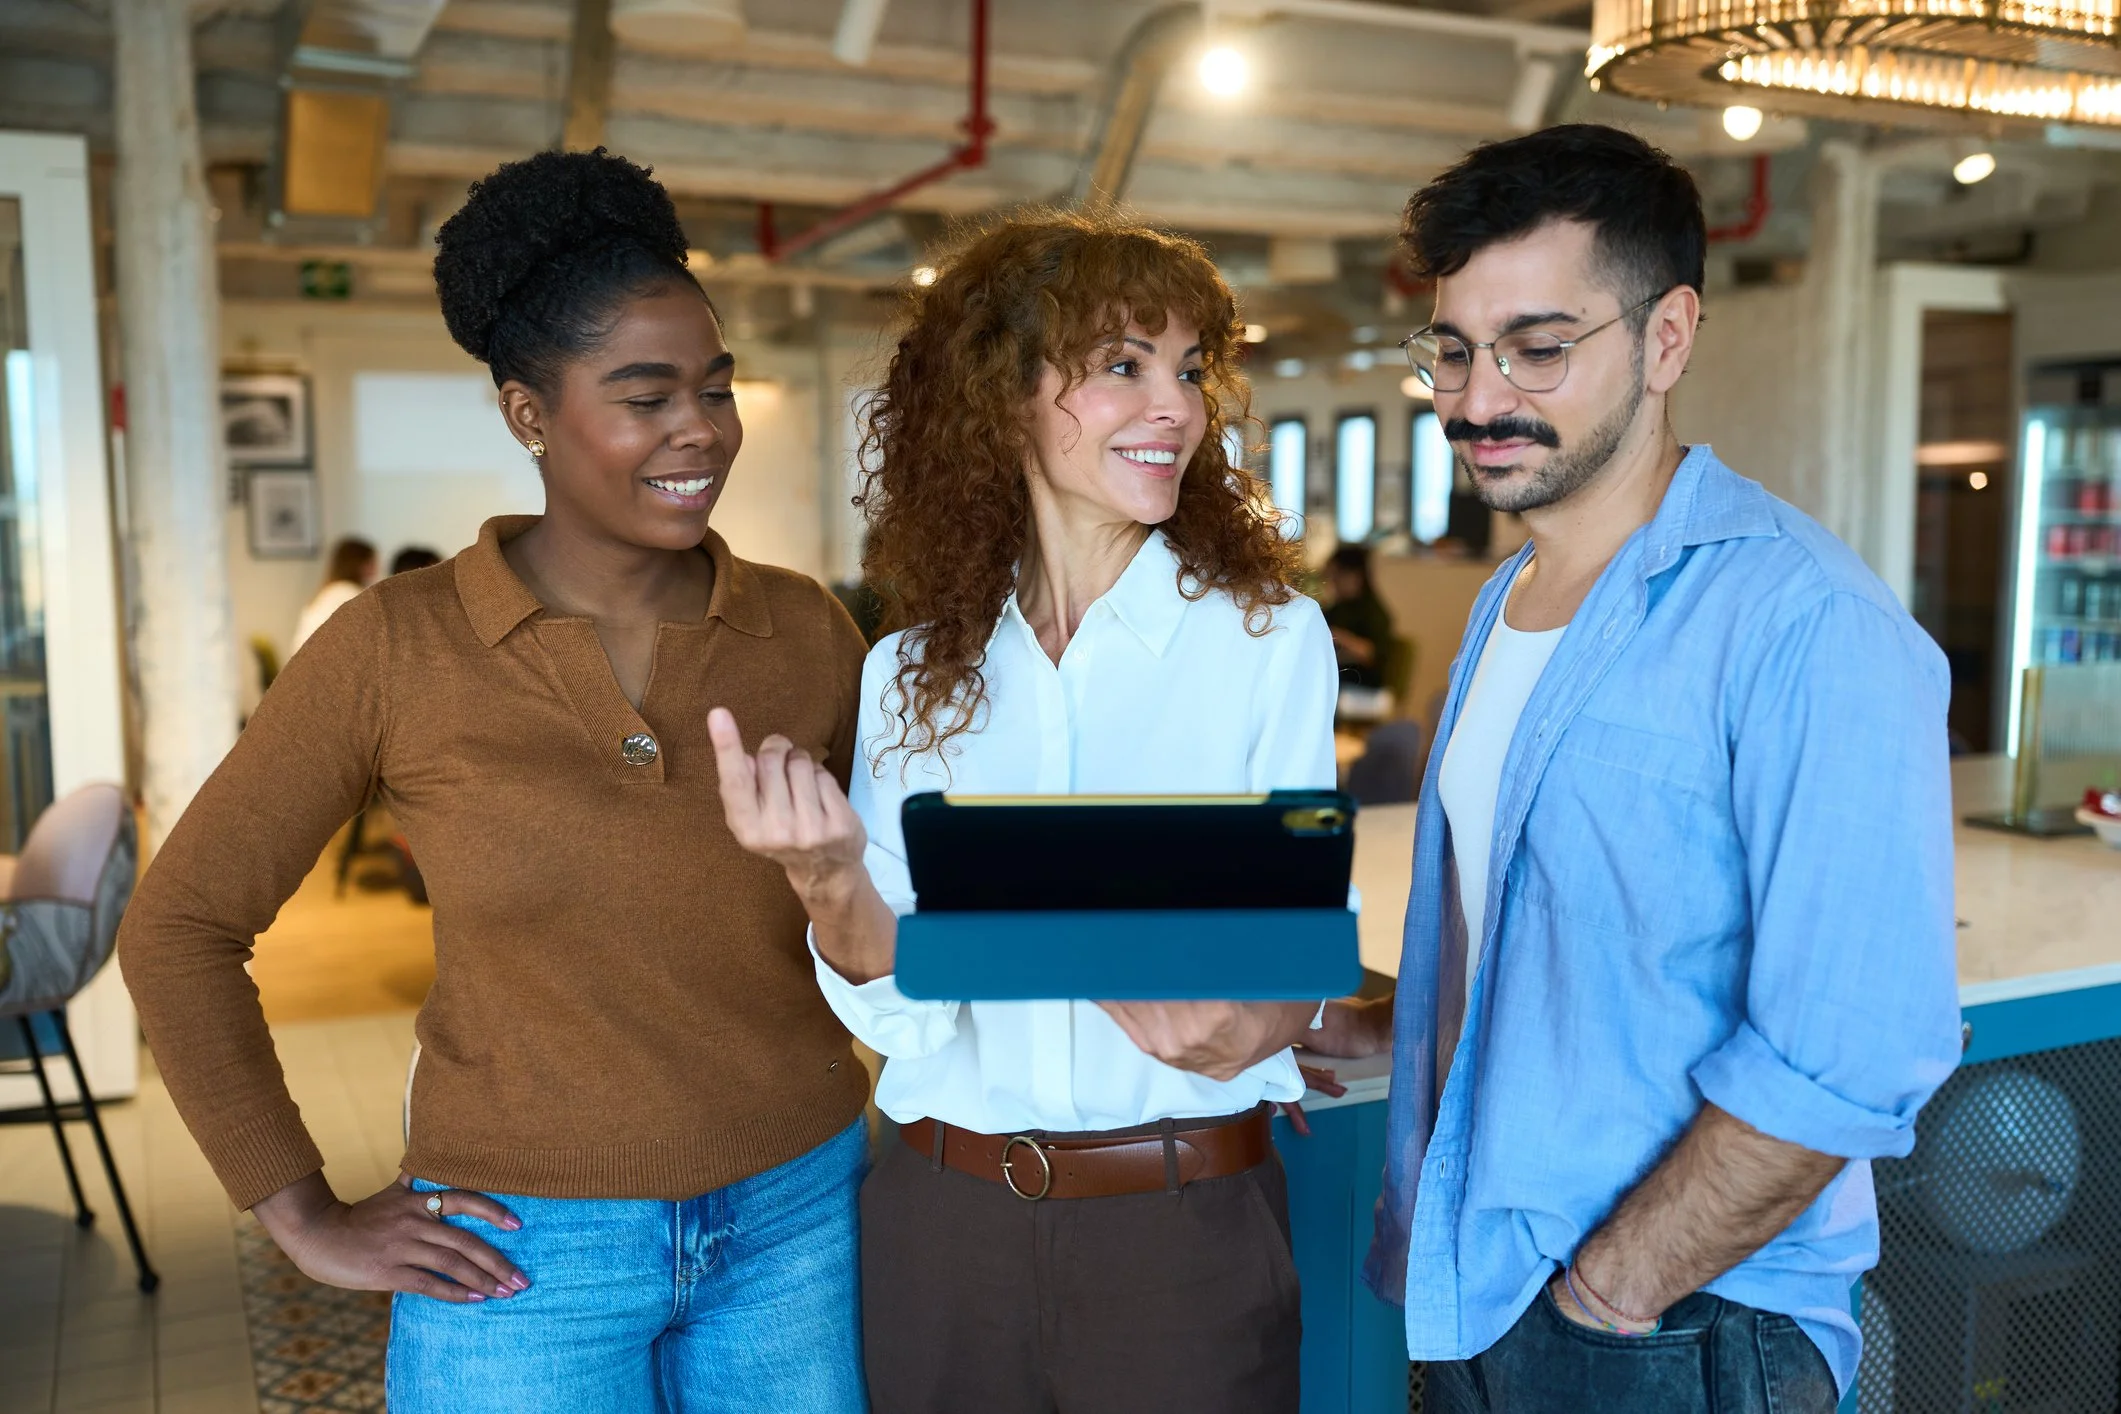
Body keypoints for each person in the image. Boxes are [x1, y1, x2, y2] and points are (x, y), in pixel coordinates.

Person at [119, 149, 872, 1413]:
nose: (699, 428)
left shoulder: (805, 632)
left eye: (717, 388)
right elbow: (179, 925)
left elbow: (897, 919)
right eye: (645, 395)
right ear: (529, 414)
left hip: (802, 1216)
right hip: (520, 1255)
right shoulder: (392, 644)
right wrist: (297, 1210)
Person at [1326, 125, 1962, 1412]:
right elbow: (1554, 931)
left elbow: (1853, 1049)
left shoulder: (1804, 621)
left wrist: (1613, 1292)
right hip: (1479, 1289)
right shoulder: (1508, 597)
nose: (1480, 397)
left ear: (1667, 338)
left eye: (1540, 349)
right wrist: (1373, 1028)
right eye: (1452, 350)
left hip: (1680, 1320)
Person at [709, 209, 1373, 1414]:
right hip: (943, 1228)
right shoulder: (908, 668)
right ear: (1005, 399)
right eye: (1122, 365)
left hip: (1183, 1231)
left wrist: (1256, 1026)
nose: (1173, 405)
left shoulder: (1268, 641)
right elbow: (905, 1006)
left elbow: (1294, 947)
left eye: (1188, 371)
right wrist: (825, 877)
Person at [1322, 542, 1396, 692]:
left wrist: (1337, 635)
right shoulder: (1336, 609)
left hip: (1363, 685)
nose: (1333, 583)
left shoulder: (1374, 612)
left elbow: (1371, 653)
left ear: (1354, 575)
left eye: (1336, 576)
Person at [290, 536, 378, 654]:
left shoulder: (328, 592)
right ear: (361, 565)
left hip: (301, 664)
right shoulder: (350, 594)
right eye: (372, 562)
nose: (377, 568)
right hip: (321, 664)